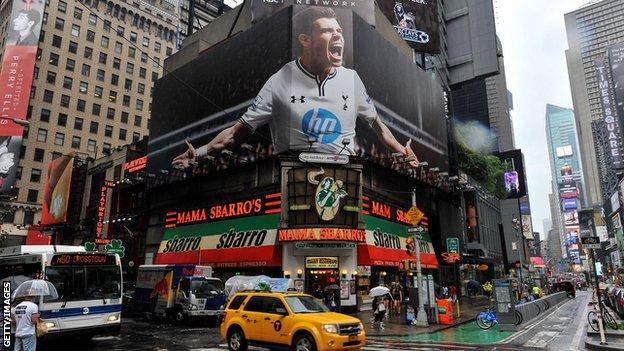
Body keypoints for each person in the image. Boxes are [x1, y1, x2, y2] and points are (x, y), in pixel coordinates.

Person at [172, 7, 420, 170]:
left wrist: (403, 151)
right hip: (293, 178)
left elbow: (379, 128)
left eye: (339, 31)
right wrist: (200, 153)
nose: (338, 36)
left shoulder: (351, 79)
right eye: (327, 31)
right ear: (305, 39)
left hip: (345, 178)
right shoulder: (281, 80)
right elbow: (234, 135)